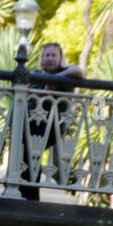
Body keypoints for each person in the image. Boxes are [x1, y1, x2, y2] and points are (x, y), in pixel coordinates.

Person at [18, 43, 85, 201]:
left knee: (31, 153)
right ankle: (28, 195)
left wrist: (55, 78)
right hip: (31, 123)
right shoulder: (35, 74)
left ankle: (30, 197)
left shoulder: (66, 74)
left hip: (51, 125)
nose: (50, 59)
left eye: (54, 55)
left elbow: (80, 71)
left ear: (60, 58)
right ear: (42, 57)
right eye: (47, 55)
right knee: (26, 155)